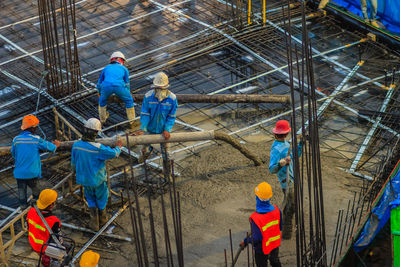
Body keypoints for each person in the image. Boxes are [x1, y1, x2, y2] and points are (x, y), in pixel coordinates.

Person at [71, 118, 122, 231]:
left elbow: (73, 164)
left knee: (90, 198)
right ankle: (103, 220)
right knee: (101, 197)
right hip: (97, 180)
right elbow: (113, 154)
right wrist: (118, 147)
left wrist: (75, 173)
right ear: (96, 133)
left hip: (84, 179)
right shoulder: (98, 148)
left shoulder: (76, 145)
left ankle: (94, 222)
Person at [11, 115, 60, 208]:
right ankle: (37, 207)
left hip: (19, 173)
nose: (37, 128)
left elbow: (13, 153)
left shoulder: (16, 139)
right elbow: (51, 147)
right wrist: (57, 144)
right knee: (36, 192)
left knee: (22, 194)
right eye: (36, 127)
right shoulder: (36, 139)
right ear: (32, 128)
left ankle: (23, 210)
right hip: (32, 173)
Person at [134, 72, 178, 164]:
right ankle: (143, 159)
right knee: (144, 150)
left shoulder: (172, 98)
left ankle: (168, 170)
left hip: (163, 130)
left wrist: (167, 129)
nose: (159, 90)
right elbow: (145, 114)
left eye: (161, 88)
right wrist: (143, 128)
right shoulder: (148, 96)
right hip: (150, 128)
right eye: (157, 88)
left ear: (166, 87)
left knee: (166, 153)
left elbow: (171, 116)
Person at [268, 120, 302, 239]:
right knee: (291, 206)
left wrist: (301, 144)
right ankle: (287, 232)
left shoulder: (286, 144)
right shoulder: (276, 149)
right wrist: (281, 163)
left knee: (290, 204)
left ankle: (285, 226)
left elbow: (294, 155)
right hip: (286, 182)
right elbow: (272, 169)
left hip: (291, 178)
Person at [240, 182, 282, 267]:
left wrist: (246, 241)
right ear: (270, 197)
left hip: (261, 249)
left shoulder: (255, 218)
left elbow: (256, 239)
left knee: (261, 264)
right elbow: (280, 227)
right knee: (275, 261)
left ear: (257, 198)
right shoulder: (277, 210)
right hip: (274, 245)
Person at [97, 51, 136, 129]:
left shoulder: (106, 68)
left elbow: (99, 83)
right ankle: (132, 121)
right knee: (129, 100)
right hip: (119, 87)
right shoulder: (124, 69)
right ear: (121, 60)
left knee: (102, 101)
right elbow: (127, 84)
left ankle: (102, 120)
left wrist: (99, 92)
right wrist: (128, 93)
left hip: (106, 87)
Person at [27, 189, 62, 267]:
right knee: (64, 249)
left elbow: (29, 226)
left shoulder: (31, 211)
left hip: (33, 242)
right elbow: (58, 241)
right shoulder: (54, 221)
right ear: (51, 205)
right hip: (43, 248)